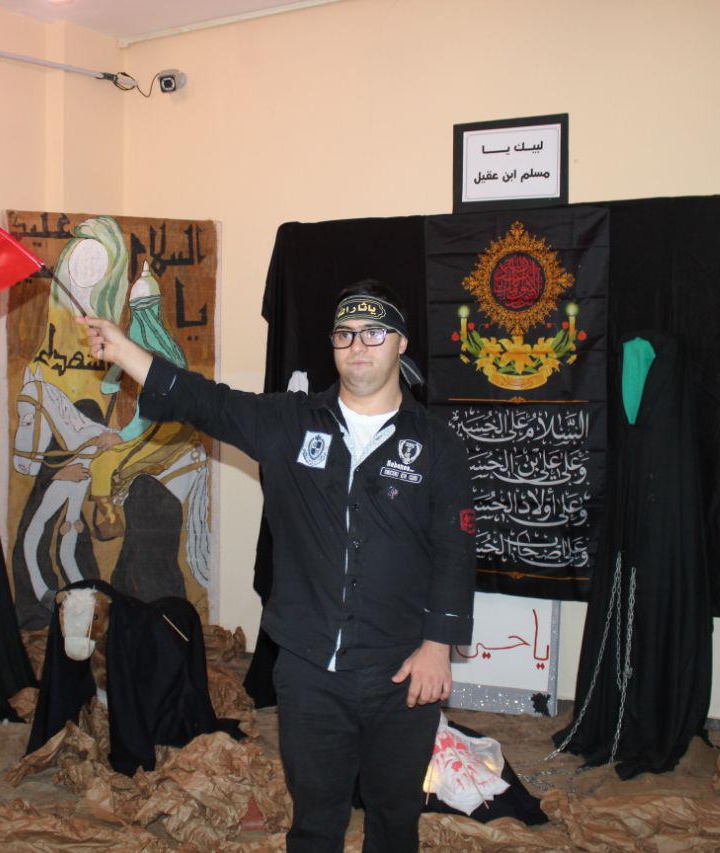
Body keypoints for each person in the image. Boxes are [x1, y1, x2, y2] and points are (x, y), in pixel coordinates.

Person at [81, 279, 475, 852]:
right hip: (310, 670)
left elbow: (455, 549)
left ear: (401, 343)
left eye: (374, 332)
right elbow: (207, 401)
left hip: (402, 668)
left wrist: (438, 647)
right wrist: (124, 351)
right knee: (314, 820)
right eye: (345, 334)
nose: (358, 345)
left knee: (395, 819)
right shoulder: (291, 423)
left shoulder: (437, 443)